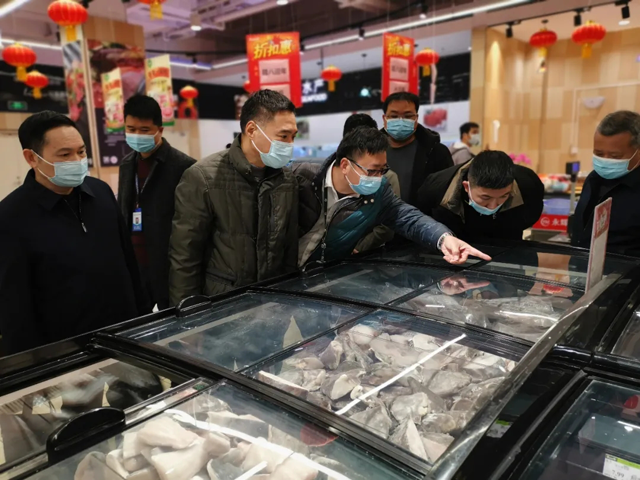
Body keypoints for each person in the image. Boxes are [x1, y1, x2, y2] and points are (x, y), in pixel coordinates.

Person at [0, 111, 148, 355]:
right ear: (32, 157)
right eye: (64, 155)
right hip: (68, 352)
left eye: (81, 152)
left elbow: (128, 262)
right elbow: (14, 308)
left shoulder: (101, 193)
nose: (77, 160)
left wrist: (143, 320)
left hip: (124, 336)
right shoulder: (11, 217)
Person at [169, 90, 299, 305]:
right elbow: (185, 257)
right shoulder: (203, 178)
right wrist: (188, 314)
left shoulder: (287, 180)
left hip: (272, 303)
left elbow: (289, 248)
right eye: (283, 136)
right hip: (222, 304)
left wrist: (288, 299)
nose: (290, 145)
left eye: (293, 136)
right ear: (252, 130)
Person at [294, 126, 491, 266]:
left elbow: (409, 218)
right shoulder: (300, 177)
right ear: (345, 165)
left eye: (382, 170)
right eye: (372, 170)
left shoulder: (378, 194)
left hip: (321, 277)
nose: (378, 177)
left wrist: (444, 238)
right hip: (283, 275)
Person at [118, 95, 196, 310]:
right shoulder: (127, 165)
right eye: (131, 129)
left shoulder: (183, 166)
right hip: (136, 266)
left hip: (168, 267)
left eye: (144, 130)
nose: (136, 135)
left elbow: (191, 225)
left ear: (159, 130)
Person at [417, 150, 544, 242]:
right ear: (466, 186)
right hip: (454, 250)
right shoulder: (437, 188)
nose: (493, 206)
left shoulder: (527, 185)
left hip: (509, 248)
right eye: (485, 198)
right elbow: (423, 224)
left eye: (503, 196)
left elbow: (531, 216)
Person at [571, 111, 640, 256]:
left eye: (615, 156)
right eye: (599, 154)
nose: (606, 160)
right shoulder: (593, 179)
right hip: (581, 265)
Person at [336, 113, 401, 253]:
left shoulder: (386, 179)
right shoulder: (333, 173)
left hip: (368, 254)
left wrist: (359, 247)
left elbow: (389, 224)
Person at [382, 92, 453, 206]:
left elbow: (449, 194)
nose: (401, 121)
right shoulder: (371, 151)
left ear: (416, 118)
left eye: (408, 116)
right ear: (384, 119)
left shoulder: (436, 152)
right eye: (394, 116)